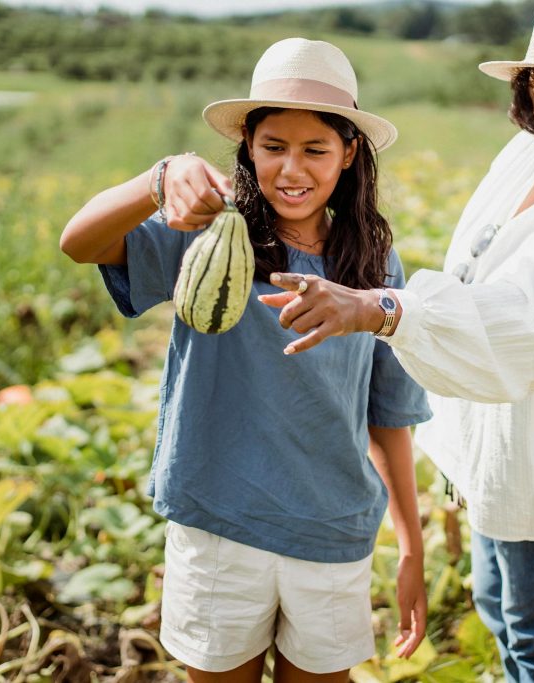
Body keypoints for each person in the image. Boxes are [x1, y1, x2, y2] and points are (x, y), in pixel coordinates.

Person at [258, 1, 534, 680]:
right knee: (498, 604)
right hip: (502, 441)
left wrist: (379, 307)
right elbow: (475, 272)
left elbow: (518, 321)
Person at [60, 38, 431, 683]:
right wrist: (158, 180)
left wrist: (411, 546)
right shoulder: (204, 236)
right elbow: (78, 242)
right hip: (220, 525)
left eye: (315, 149)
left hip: (331, 531)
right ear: (248, 150)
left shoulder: (373, 266)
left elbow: (388, 415)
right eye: (273, 147)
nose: (293, 169)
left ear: (348, 154)